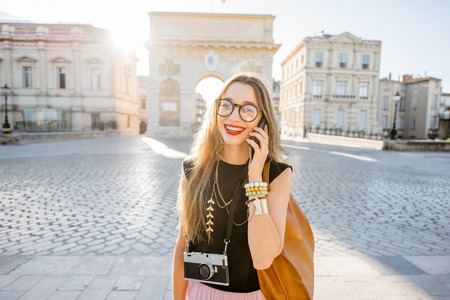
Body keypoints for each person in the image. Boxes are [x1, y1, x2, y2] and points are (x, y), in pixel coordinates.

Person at [173, 73, 292, 299]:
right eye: (226, 105)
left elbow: (263, 258)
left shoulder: (277, 175)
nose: (234, 117)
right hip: (200, 293)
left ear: (263, 120)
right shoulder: (192, 170)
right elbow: (182, 243)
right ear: (216, 110)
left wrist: (255, 177)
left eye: (247, 109)